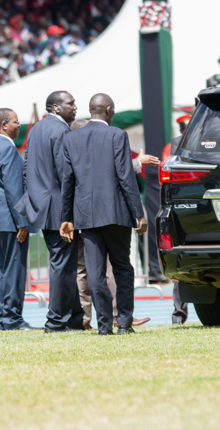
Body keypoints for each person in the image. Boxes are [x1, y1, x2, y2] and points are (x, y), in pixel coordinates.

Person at [59, 93, 147, 334]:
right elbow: (125, 176)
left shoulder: (71, 138)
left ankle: (104, 326)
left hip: (85, 215)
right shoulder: (117, 135)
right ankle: (125, 323)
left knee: (95, 273)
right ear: (108, 110)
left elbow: (68, 182)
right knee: (122, 268)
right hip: (116, 212)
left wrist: (66, 218)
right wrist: (138, 212)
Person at [16, 90, 84, 333]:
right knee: (62, 265)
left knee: (64, 264)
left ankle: (75, 319)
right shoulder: (61, 130)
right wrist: (69, 214)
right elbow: (66, 173)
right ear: (56, 108)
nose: (75, 106)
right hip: (57, 208)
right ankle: (55, 322)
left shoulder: (35, 130)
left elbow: (26, 167)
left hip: (41, 204)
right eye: (70, 103)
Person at [0, 108, 32, 331]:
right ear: (4, 125)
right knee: (14, 269)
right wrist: (22, 221)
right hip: (10, 220)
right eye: (16, 122)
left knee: (1, 269)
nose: (19, 125)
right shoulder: (8, 149)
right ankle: (12, 319)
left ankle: (2, 318)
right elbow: (13, 189)